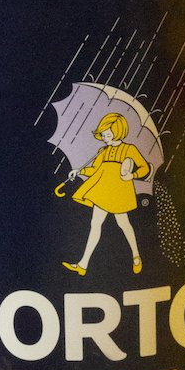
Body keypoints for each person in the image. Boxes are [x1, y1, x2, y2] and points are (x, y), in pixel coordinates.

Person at [63, 112, 151, 275]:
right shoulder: (102, 151)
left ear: (118, 132)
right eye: (103, 135)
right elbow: (95, 170)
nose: (104, 138)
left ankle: (136, 256)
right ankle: (83, 264)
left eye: (108, 134)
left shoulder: (129, 149)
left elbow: (144, 167)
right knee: (95, 224)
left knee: (123, 224)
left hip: (118, 192)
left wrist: (132, 175)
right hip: (103, 192)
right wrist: (79, 171)